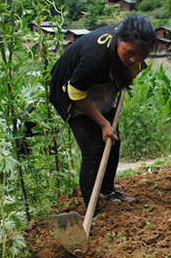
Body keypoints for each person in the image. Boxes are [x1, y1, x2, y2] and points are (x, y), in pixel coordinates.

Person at [49, 14, 156, 214]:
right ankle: (93, 211)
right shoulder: (94, 58)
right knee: (93, 150)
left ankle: (107, 192)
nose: (134, 59)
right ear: (119, 40)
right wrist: (103, 123)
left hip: (101, 85)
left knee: (113, 140)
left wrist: (109, 121)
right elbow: (76, 93)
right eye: (129, 53)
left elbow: (129, 71)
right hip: (72, 89)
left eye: (142, 55)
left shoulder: (133, 52)